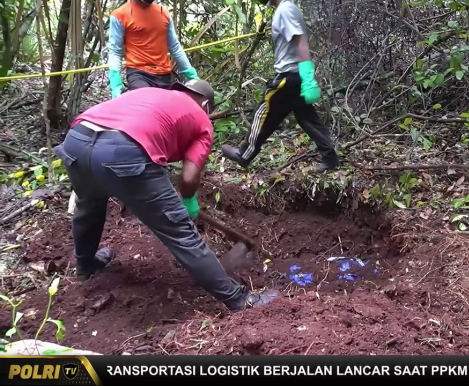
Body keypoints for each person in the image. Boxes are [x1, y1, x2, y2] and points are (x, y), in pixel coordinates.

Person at [52, 79, 278, 312]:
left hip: (77, 140)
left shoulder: (150, 93)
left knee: (89, 205)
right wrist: (188, 201)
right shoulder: (201, 119)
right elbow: (189, 178)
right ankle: (239, 300)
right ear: (207, 107)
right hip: (123, 150)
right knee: (180, 232)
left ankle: (86, 264)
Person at [221, 0, 340, 173]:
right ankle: (330, 158)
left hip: (289, 76)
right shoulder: (288, 8)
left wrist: (308, 75)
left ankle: (244, 154)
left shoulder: (285, 9)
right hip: (295, 75)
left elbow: (300, 40)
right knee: (307, 118)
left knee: (263, 112)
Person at [107, 0, 198, 98]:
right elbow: (115, 51)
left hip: (164, 74)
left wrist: (191, 75)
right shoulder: (120, 15)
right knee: (145, 105)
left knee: (165, 109)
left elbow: (175, 47)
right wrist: (115, 84)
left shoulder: (164, 13)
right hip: (139, 74)